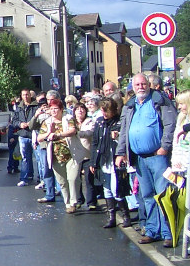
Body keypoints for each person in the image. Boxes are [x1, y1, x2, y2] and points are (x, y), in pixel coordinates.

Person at [115, 73, 177, 247]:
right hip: (140, 158)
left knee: (163, 195)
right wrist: (121, 152)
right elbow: (124, 131)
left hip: (158, 157)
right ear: (133, 87)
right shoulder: (130, 105)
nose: (141, 87)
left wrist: (164, 146)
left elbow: (170, 124)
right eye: (137, 85)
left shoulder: (160, 101)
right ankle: (152, 231)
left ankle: (168, 233)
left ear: (148, 85)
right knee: (147, 196)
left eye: (143, 84)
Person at [91, 98, 132, 229]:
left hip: (115, 160)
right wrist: (93, 162)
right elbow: (95, 143)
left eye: (106, 111)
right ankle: (111, 218)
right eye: (102, 110)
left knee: (117, 189)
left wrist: (117, 136)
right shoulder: (99, 122)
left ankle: (126, 216)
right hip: (103, 159)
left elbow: (125, 140)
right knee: (107, 189)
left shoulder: (119, 122)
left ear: (113, 110)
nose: (104, 114)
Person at [38, 99, 81, 212]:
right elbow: (39, 138)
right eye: (51, 109)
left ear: (61, 109)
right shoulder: (47, 122)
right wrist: (49, 133)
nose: (53, 111)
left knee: (72, 179)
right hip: (56, 156)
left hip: (71, 154)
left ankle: (73, 202)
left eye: (56, 108)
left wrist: (58, 134)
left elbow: (72, 131)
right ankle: (67, 203)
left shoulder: (68, 118)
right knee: (62, 182)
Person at [10, 89, 39, 186]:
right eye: (23, 95)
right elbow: (14, 121)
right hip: (23, 135)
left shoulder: (36, 106)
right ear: (21, 96)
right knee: (25, 158)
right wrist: (20, 124)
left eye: (27, 94)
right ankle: (24, 178)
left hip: (34, 135)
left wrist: (31, 123)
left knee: (38, 158)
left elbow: (39, 120)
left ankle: (41, 179)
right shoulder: (19, 108)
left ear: (30, 95)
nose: (25, 97)